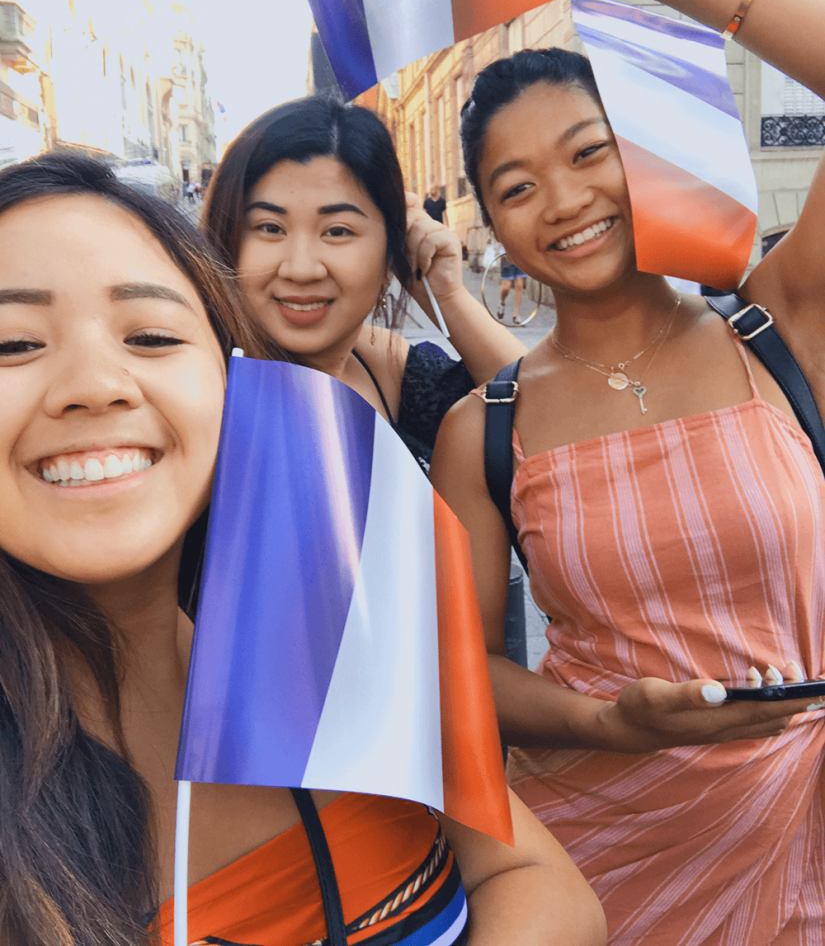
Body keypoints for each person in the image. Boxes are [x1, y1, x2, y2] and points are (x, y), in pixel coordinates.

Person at [0, 151, 606, 946]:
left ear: (235, 384)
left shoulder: (330, 625)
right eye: (11, 346)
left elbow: (530, 877)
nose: (95, 383)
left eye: (149, 335)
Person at [431, 0, 825, 946]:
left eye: (588, 152)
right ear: (495, 227)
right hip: (601, 861)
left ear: (640, 151)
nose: (562, 201)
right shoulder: (485, 428)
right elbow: (468, 680)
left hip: (803, 845)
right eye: (516, 188)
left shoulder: (777, 325)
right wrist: (615, 724)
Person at [203, 97, 526, 468]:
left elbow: (545, 419)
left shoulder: (385, 367)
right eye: (270, 228)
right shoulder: (203, 387)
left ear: (392, 246)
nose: (302, 269)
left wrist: (446, 295)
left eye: (337, 231)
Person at [498, 254, 528, 324]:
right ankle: (502, 302)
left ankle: (516, 315)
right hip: (507, 257)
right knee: (506, 287)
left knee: (519, 285)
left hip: (521, 257)